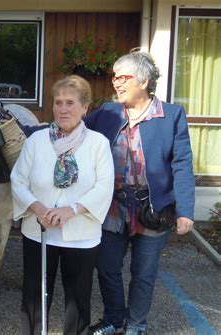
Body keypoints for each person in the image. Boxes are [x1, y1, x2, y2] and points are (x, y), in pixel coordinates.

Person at [85, 52, 195, 335]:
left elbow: (182, 164)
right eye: (114, 76)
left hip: (153, 208)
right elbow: (72, 128)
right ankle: (114, 319)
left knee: (143, 274)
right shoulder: (108, 112)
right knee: (107, 267)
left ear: (144, 81)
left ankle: (136, 326)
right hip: (112, 206)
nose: (116, 83)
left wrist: (185, 210)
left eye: (123, 77)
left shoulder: (171, 116)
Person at [11, 75, 115, 335]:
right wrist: (36, 207)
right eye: (58, 102)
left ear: (84, 108)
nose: (63, 108)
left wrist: (72, 209)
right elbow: (18, 180)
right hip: (39, 232)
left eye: (70, 102)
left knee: (77, 300)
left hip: (81, 235)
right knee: (34, 297)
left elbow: (104, 186)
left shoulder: (98, 144)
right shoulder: (36, 141)